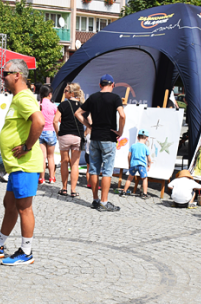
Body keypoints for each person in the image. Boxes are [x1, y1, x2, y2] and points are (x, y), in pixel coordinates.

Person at [0, 59, 44, 266]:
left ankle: (26, 251)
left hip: (25, 165)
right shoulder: (18, 98)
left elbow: (39, 122)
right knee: (10, 204)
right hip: (17, 166)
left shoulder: (23, 98)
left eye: (5, 74)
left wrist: (28, 146)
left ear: (17, 75)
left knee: (24, 207)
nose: (2, 78)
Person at [75, 74, 126, 212]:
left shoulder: (93, 97)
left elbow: (78, 113)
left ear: (100, 85)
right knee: (107, 171)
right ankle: (104, 202)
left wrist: (89, 126)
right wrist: (120, 132)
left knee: (93, 169)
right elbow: (122, 115)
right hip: (108, 138)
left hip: (95, 137)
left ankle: (95, 200)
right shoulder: (115, 98)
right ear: (113, 85)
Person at [54, 82, 84, 197]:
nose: (64, 92)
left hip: (65, 135)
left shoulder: (63, 105)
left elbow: (55, 121)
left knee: (64, 162)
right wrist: (84, 134)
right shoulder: (82, 105)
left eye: (66, 91)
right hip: (78, 136)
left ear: (71, 93)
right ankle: (73, 190)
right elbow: (90, 121)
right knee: (75, 164)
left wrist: (58, 134)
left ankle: (64, 188)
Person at [120, 130, 152, 198]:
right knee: (144, 179)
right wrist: (149, 166)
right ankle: (145, 194)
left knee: (129, 178)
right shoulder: (146, 147)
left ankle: (124, 192)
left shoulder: (133, 146)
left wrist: (129, 164)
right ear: (147, 138)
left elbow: (129, 156)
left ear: (137, 137)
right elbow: (149, 159)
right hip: (142, 166)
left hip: (133, 164)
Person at [37, 85, 58, 184]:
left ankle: (41, 178)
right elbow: (58, 119)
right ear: (50, 95)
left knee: (42, 156)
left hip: (40, 131)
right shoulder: (53, 106)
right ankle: (52, 177)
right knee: (51, 156)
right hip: (50, 131)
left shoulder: (38, 104)